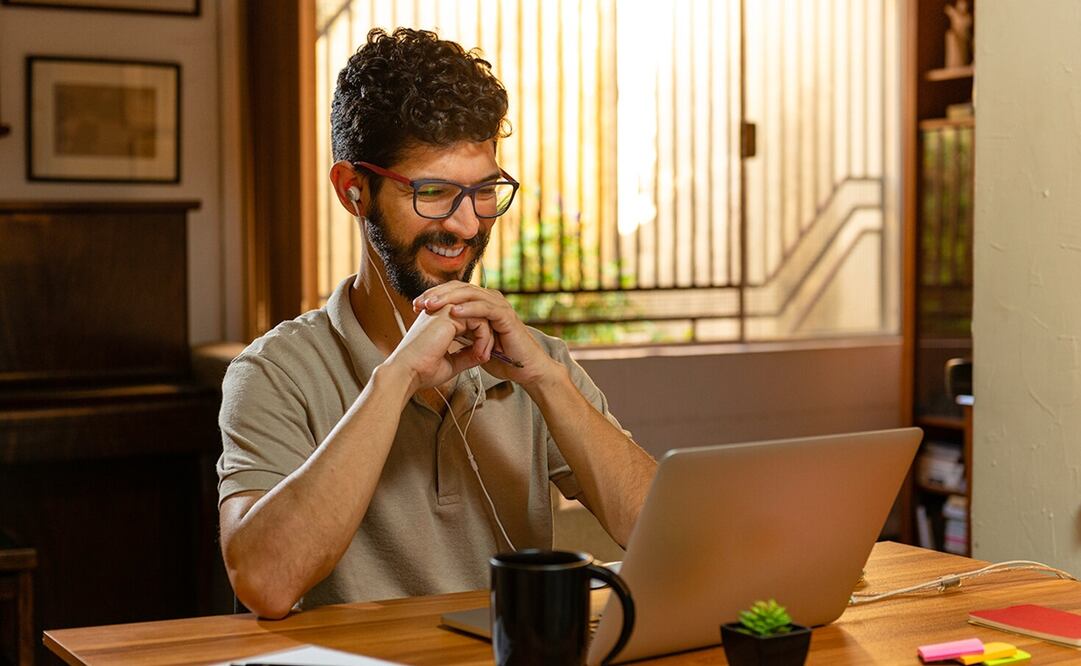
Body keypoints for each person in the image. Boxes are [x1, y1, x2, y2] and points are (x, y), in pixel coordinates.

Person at [216, 27, 657, 619]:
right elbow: (264, 581)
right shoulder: (274, 373)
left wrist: (548, 382)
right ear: (354, 191)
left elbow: (660, 534)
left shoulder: (533, 360)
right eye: (433, 192)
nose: (468, 225)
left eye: (483, 192)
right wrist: (395, 379)